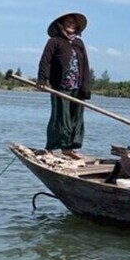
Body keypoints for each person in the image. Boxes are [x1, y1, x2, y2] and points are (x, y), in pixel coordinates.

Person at [37, 11, 92, 160]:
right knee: (60, 117)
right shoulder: (54, 41)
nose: (71, 24)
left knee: (76, 117)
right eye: (68, 22)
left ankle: (69, 148)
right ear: (61, 24)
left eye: (74, 23)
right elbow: (45, 60)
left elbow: (85, 65)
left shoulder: (79, 43)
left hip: (77, 87)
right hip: (61, 86)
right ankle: (51, 147)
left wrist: (86, 88)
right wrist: (42, 79)